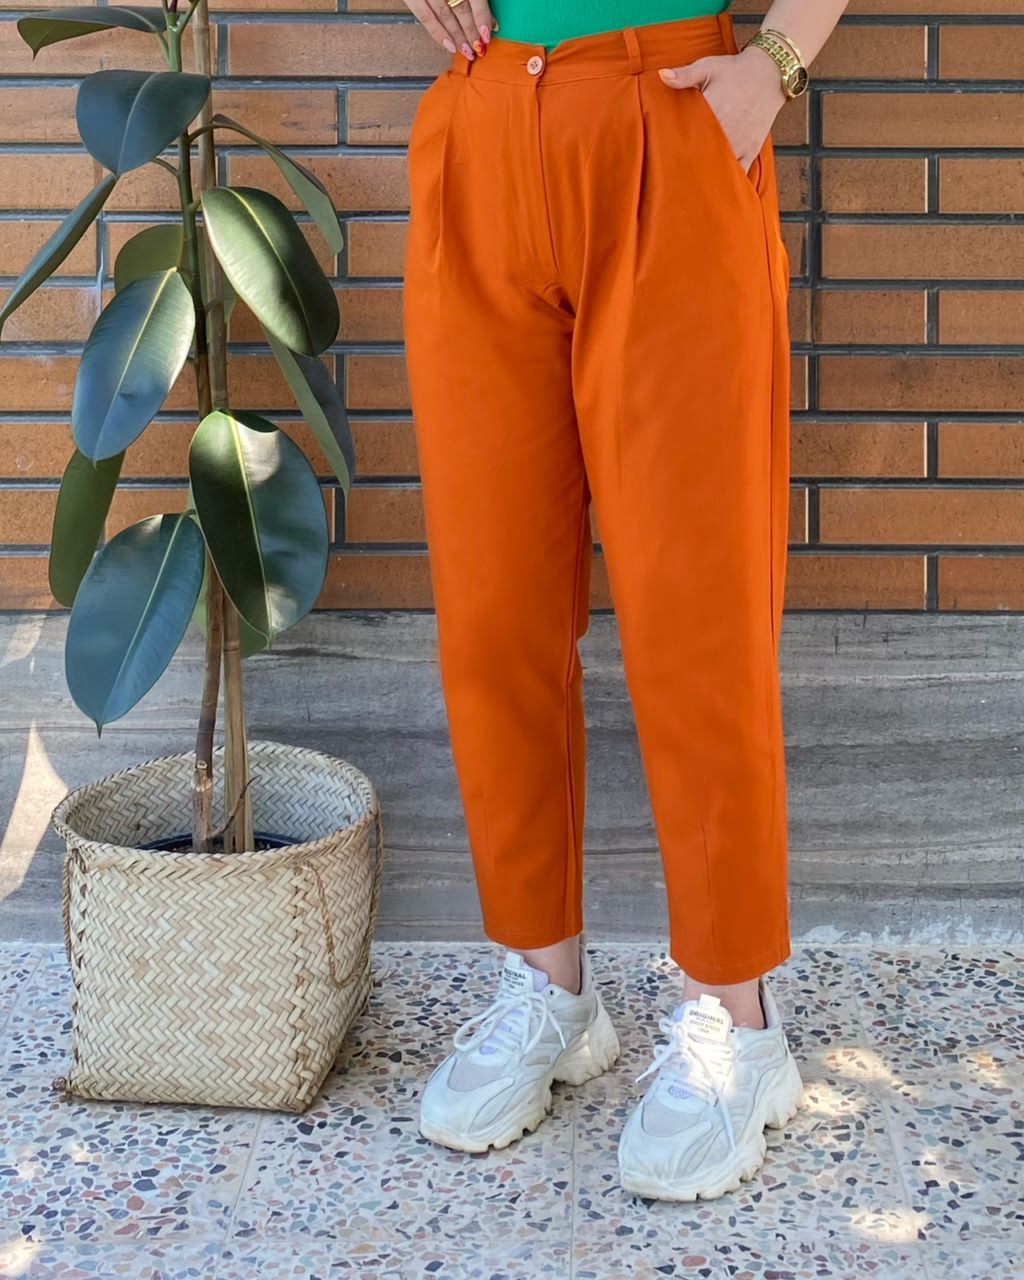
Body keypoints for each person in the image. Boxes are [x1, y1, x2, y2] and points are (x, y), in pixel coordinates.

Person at [401, 0, 848, 1201]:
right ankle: (546, 985)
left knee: (696, 608)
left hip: (669, 113)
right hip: (484, 119)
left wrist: (776, 64)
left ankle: (739, 1022)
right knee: (492, 604)